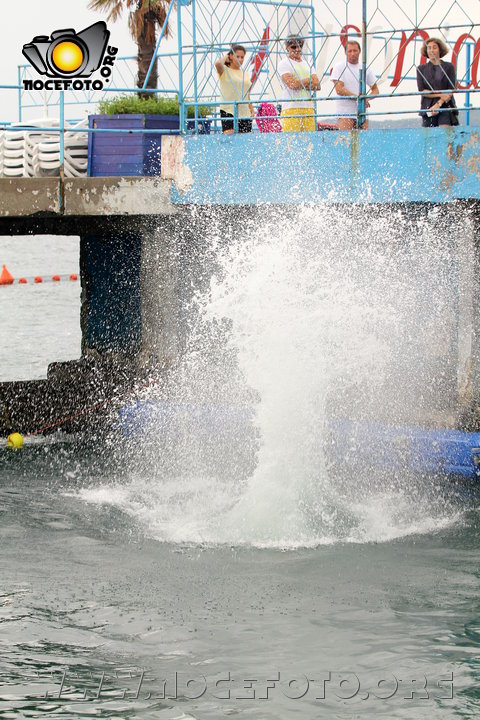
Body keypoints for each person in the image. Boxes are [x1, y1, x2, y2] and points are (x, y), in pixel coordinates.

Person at [331, 40, 379, 130]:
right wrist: (358, 98)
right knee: (346, 140)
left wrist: (366, 99)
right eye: (350, 51)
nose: (353, 54)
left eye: (355, 51)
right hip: (345, 112)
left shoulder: (365, 68)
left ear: (359, 51)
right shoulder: (339, 67)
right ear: (345, 52)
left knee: (363, 140)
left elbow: (376, 90)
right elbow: (339, 89)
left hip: (362, 112)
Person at [277, 35, 321, 132]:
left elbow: (317, 85)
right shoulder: (284, 63)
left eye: (299, 46)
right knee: (290, 141)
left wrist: (299, 81)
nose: (297, 49)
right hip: (291, 108)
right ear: (287, 48)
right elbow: (292, 84)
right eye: (293, 47)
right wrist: (309, 79)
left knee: (309, 142)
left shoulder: (308, 64)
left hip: (308, 108)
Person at [416, 37, 458, 127]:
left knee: (445, 135)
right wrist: (440, 94)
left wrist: (438, 103)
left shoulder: (449, 66)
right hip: (428, 107)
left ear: (440, 50)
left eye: (434, 47)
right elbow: (422, 90)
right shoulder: (421, 69)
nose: (431, 50)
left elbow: (451, 89)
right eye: (429, 48)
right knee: (429, 138)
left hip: (445, 105)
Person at [215, 44, 254, 134]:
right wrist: (227, 56)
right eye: (237, 56)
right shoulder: (224, 70)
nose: (240, 59)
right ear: (231, 56)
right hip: (228, 109)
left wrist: (251, 109)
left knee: (245, 140)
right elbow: (217, 64)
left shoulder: (245, 73)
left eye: (242, 57)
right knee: (230, 137)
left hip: (244, 111)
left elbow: (247, 93)